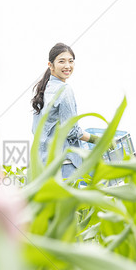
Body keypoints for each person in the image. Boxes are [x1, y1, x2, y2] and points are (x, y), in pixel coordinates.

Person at [30, 43, 96, 180]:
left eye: (71, 61)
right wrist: (96, 140)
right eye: (61, 61)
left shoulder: (45, 88)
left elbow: (36, 130)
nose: (67, 66)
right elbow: (71, 130)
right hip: (63, 164)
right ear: (50, 65)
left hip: (43, 163)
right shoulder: (64, 90)